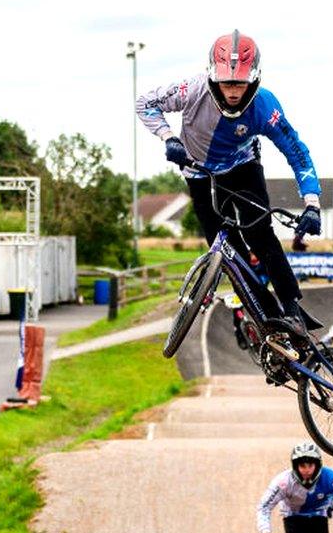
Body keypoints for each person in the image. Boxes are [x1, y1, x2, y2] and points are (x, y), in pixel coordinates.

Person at [136, 30, 319, 330]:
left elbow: (296, 151)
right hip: (200, 174)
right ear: (212, 77)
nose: (233, 92)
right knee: (227, 251)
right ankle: (266, 317)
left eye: (240, 84)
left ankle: (291, 307)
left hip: (243, 168)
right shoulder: (191, 90)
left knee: (261, 234)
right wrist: (168, 137)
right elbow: (145, 103)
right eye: (226, 83)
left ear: (254, 80)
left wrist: (311, 202)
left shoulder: (265, 106)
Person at [258, 442, 333, 533]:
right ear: (295, 466)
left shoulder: (331, 478)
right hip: (293, 515)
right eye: (302, 465)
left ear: (317, 464)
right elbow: (264, 507)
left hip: (319, 514)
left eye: (310, 465)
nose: (306, 470)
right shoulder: (283, 482)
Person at [233, 252, 269, 349]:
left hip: (258, 291)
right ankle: (239, 334)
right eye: (250, 254)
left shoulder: (263, 265)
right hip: (241, 289)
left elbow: (264, 280)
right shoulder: (241, 260)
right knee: (236, 309)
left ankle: (266, 333)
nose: (253, 257)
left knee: (264, 309)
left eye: (254, 254)